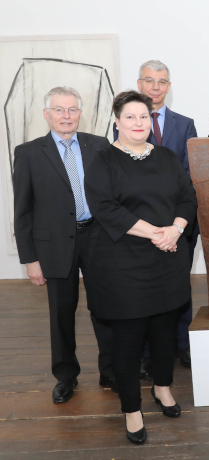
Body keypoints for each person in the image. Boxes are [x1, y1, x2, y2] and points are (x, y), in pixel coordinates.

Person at [85, 91, 197, 444]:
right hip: (122, 265)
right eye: (130, 117)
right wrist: (156, 233)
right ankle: (132, 409)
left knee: (165, 332)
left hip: (167, 259)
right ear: (116, 121)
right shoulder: (104, 160)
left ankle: (162, 388)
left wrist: (176, 229)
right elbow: (106, 208)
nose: (138, 123)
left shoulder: (165, 156)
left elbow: (187, 196)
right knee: (129, 341)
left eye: (144, 117)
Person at [13, 86, 115, 404]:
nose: (65, 116)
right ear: (46, 114)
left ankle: (110, 370)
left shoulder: (99, 145)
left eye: (71, 109)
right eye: (58, 110)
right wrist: (30, 259)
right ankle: (66, 376)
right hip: (54, 244)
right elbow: (23, 210)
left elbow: (113, 195)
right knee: (61, 312)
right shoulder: (29, 152)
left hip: (98, 238)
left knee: (106, 308)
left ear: (80, 113)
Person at [114, 60, 198, 374]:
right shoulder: (123, 124)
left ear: (169, 86)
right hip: (137, 228)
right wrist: (151, 227)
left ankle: (183, 345)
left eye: (162, 81)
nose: (156, 86)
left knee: (179, 287)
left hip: (178, 222)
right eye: (149, 80)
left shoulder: (184, 123)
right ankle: (148, 352)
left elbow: (191, 173)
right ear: (140, 83)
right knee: (143, 292)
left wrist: (173, 225)